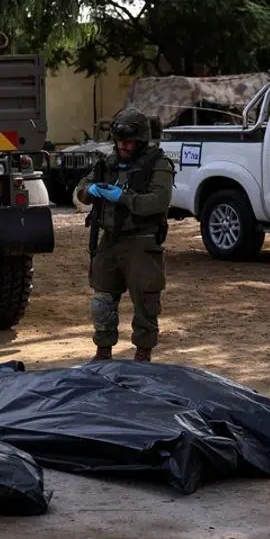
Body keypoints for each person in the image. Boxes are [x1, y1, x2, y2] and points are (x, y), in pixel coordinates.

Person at [75, 108, 175, 362]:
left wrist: (124, 198)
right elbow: (81, 190)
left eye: (129, 142)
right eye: (120, 142)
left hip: (142, 242)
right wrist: (92, 190)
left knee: (145, 303)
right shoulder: (107, 163)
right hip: (110, 240)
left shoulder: (158, 164)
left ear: (141, 140)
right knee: (102, 300)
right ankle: (103, 352)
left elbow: (158, 202)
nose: (124, 146)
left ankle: (143, 354)